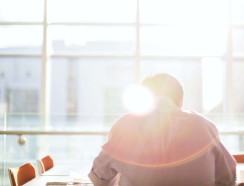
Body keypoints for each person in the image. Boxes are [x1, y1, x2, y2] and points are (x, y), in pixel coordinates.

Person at [89, 73, 236, 186]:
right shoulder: (204, 125)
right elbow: (229, 178)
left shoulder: (124, 125)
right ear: (180, 102)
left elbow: (98, 178)